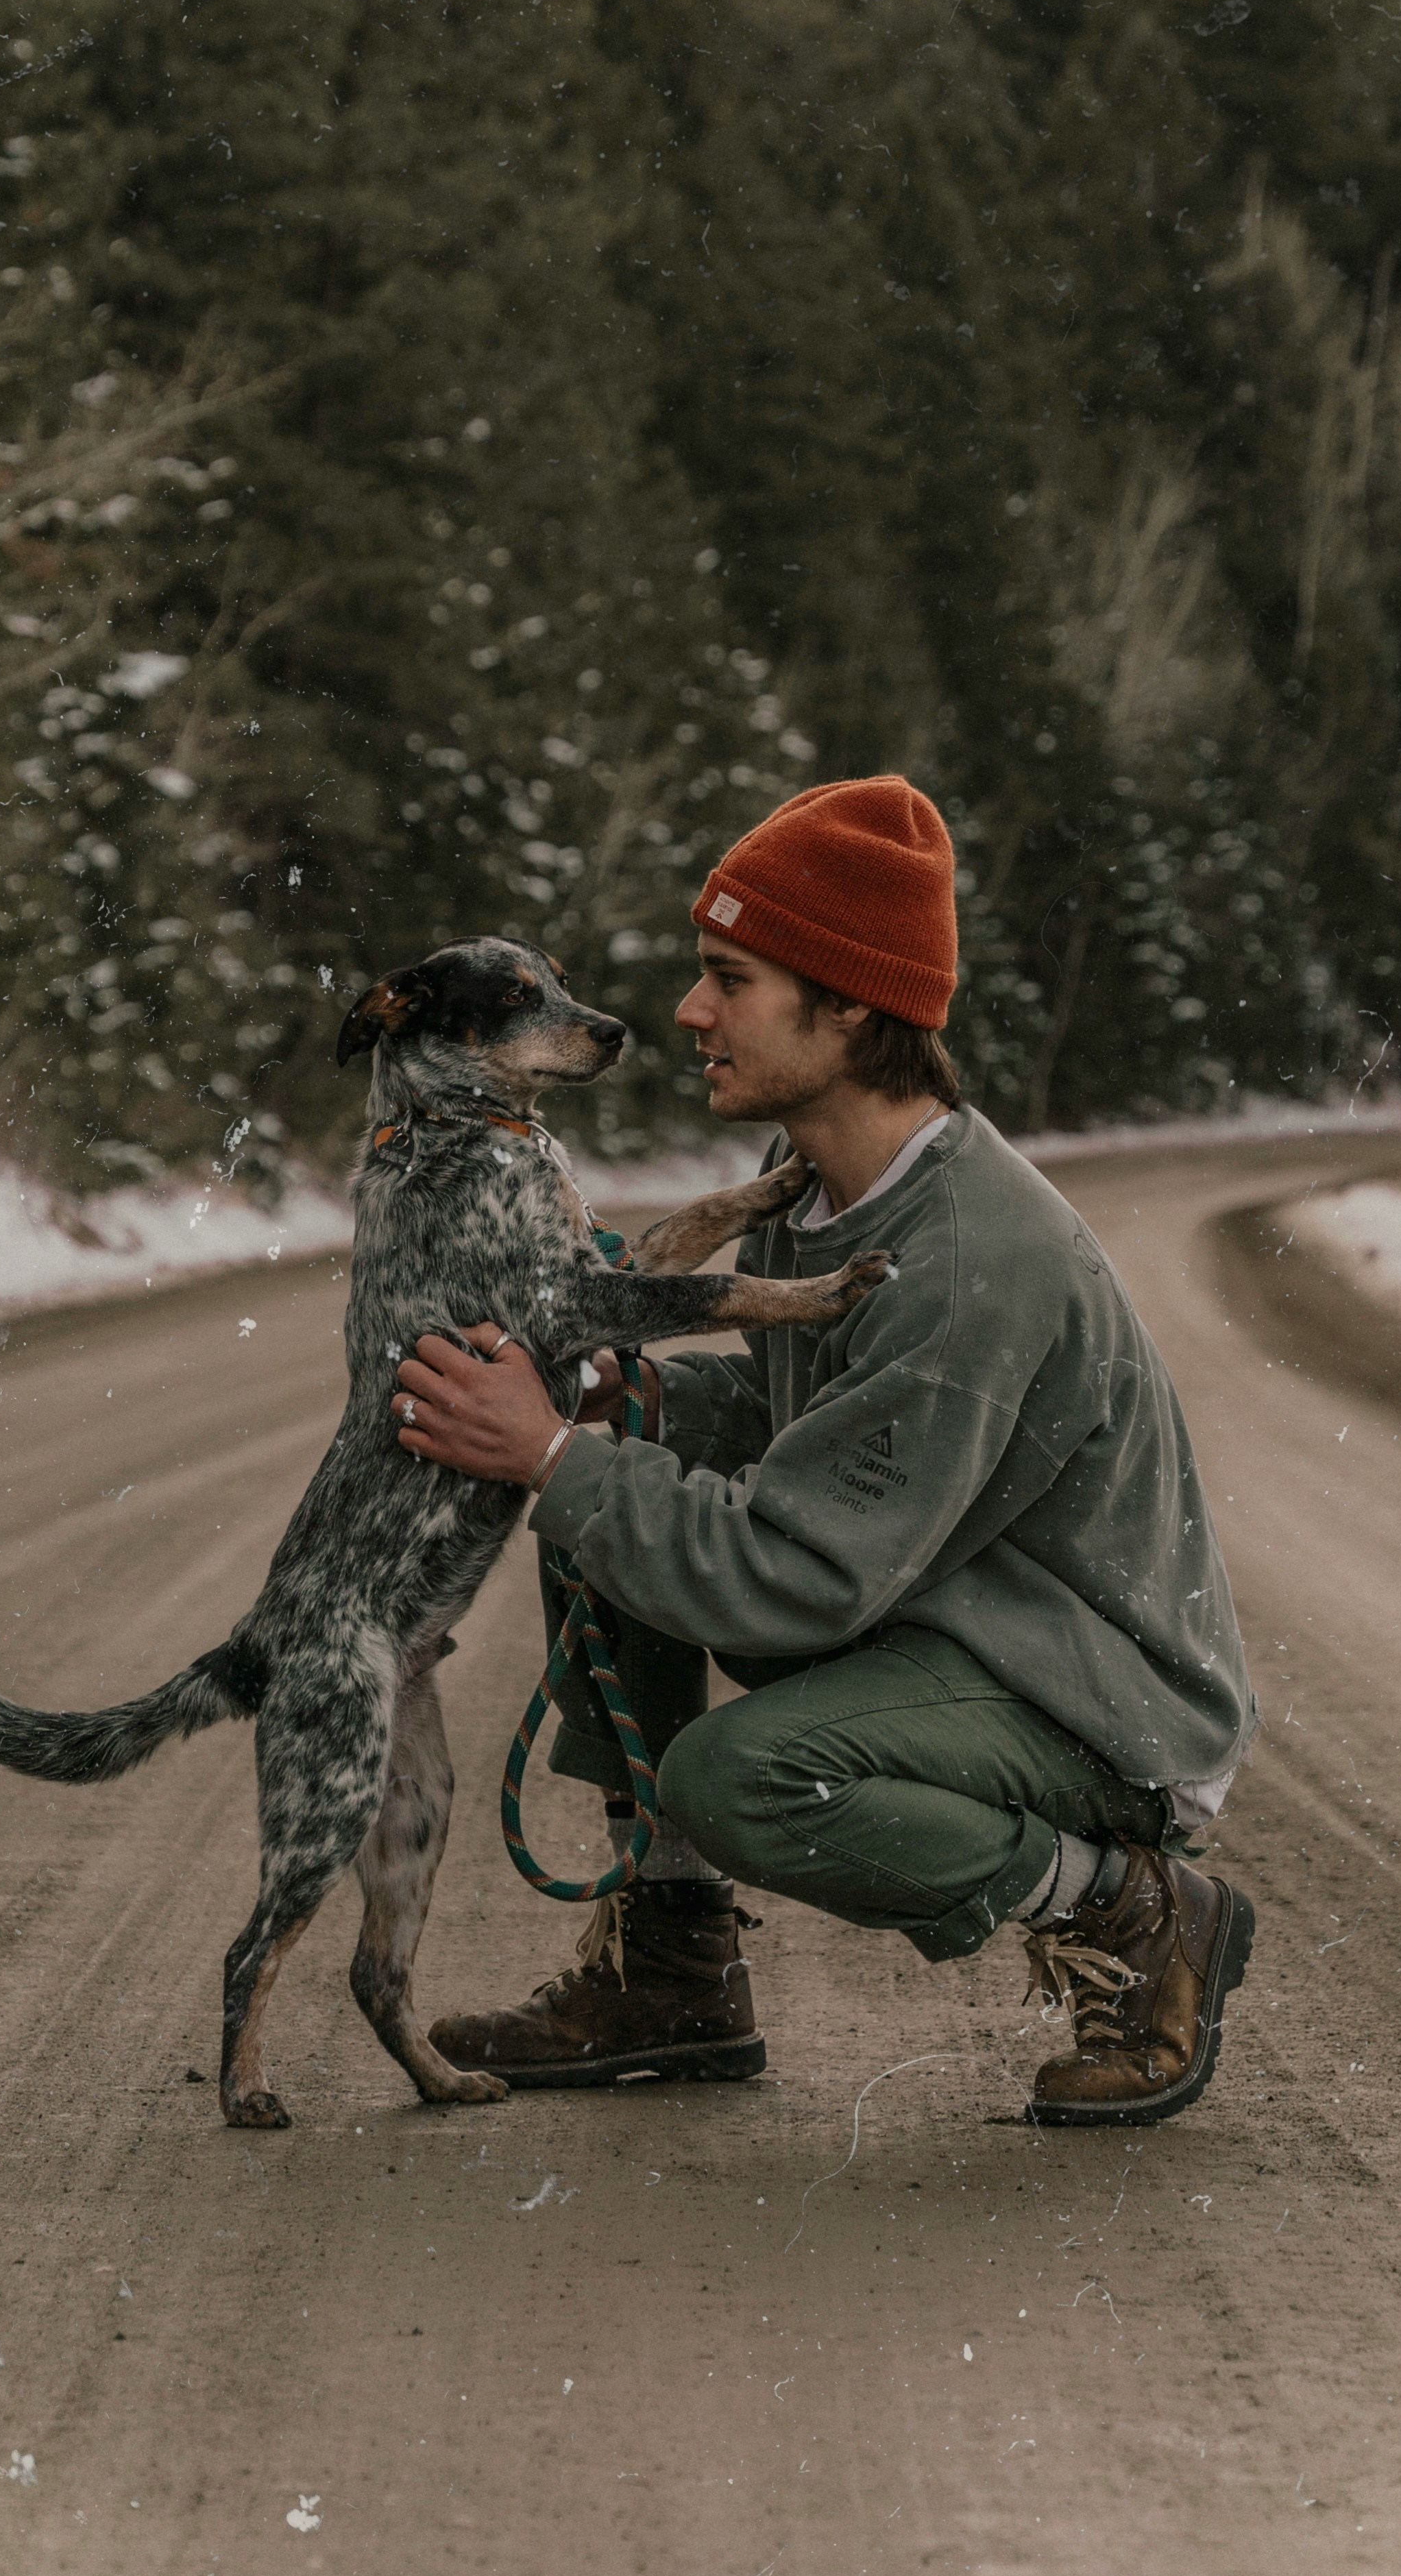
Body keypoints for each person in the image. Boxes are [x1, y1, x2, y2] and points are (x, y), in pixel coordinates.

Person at [390, 776, 1258, 2125]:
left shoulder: (971, 1254)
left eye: (730, 978)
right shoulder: (820, 1192)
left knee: (732, 1770)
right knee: (614, 1459)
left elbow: (808, 1571)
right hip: (953, 1613)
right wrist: (618, 1416)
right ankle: (674, 1967)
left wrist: (558, 1457)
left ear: (849, 1005)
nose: (689, 1012)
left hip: (1097, 1700)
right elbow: (819, 1434)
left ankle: (1136, 1910)